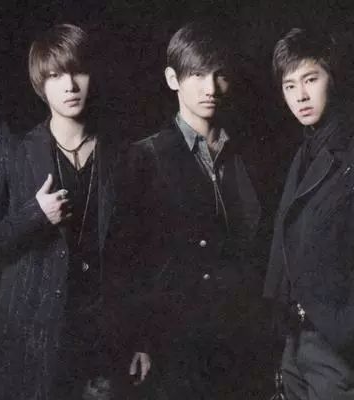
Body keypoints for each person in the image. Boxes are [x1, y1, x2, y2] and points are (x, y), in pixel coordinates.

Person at [111, 21, 270, 399]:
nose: (210, 88)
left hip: (243, 337)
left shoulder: (250, 154)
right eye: (197, 75)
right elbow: (126, 258)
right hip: (175, 341)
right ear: (173, 79)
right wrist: (138, 339)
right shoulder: (145, 156)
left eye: (219, 75)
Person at [0, 23, 121, 400]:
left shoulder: (123, 155)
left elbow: (140, 255)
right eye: (55, 75)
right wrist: (34, 215)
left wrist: (138, 340)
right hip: (29, 341)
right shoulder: (11, 152)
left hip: (100, 341)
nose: (69, 85)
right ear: (40, 84)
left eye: (77, 71)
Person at [265, 27, 354, 399]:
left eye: (310, 79)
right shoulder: (304, 151)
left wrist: (347, 329)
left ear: (332, 78)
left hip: (337, 346)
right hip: (295, 341)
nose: (300, 96)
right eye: (289, 85)